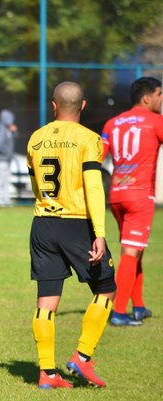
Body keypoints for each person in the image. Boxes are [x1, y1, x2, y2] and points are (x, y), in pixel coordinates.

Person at [27, 81, 116, 389]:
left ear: (54, 106)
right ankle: (82, 356)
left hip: (42, 223)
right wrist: (100, 233)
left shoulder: (35, 138)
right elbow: (94, 186)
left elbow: (36, 185)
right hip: (77, 223)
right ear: (83, 106)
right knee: (106, 289)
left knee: (46, 300)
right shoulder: (90, 139)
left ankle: (47, 373)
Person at [101, 77, 163, 326]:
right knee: (131, 251)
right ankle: (118, 311)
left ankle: (138, 306)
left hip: (117, 194)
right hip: (139, 195)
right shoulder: (155, 121)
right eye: (160, 94)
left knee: (134, 250)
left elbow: (99, 155)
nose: (161, 99)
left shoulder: (112, 123)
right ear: (147, 97)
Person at [0, 109, 18, 207]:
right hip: (1, 158)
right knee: (1, 179)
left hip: (7, 159)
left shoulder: (7, 128)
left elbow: (14, 136)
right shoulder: (1, 128)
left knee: (6, 179)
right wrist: (7, 153)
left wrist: (14, 131)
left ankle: (5, 198)